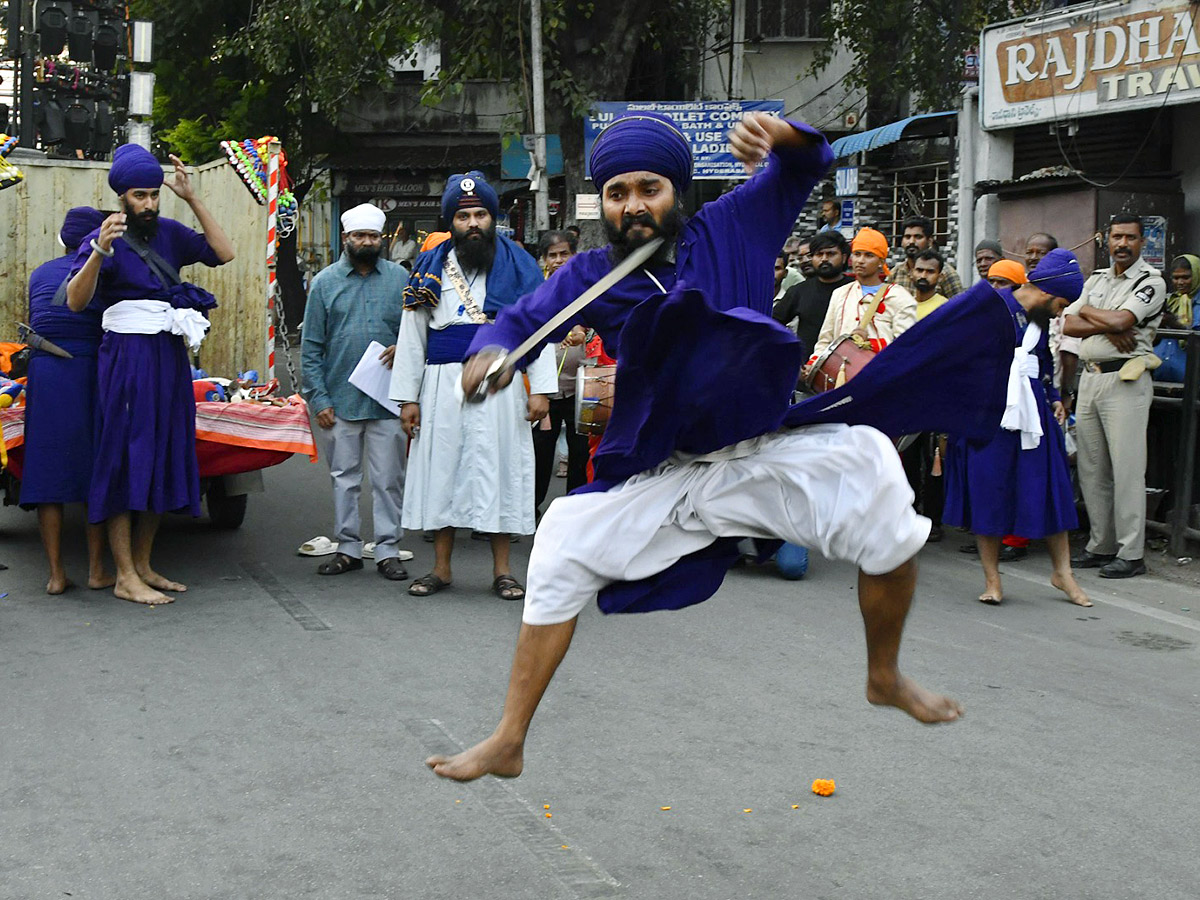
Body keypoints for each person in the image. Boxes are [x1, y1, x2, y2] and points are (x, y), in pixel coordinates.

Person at [424, 111, 1023, 782]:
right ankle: (509, 739)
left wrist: (784, 139)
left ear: (677, 190)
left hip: (760, 448)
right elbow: (520, 320)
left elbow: (804, 163)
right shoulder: (590, 273)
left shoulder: (738, 222)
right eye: (617, 194)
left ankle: (883, 674)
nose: (633, 207)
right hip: (669, 469)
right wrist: (492, 352)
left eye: (648, 188)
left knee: (878, 477)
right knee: (560, 543)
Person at [66, 144, 234, 606]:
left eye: (155, 195)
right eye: (140, 196)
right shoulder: (104, 238)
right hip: (125, 358)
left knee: (164, 450)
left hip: (167, 356)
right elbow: (76, 301)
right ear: (122, 196)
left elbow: (225, 251)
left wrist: (192, 198)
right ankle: (123, 575)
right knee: (124, 456)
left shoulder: (172, 232)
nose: (149, 204)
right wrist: (100, 249)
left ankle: (142, 564)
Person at [390, 171, 556, 600]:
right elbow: (413, 335)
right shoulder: (428, 266)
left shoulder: (519, 264)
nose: (473, 223)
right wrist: (408, 397)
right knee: (443, 472)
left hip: (500, 385)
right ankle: (441, 569)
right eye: (464, 216)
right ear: (452, 222)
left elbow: (537, 329)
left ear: (491, 216)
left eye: (481, 213)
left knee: (498, 471)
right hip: (441, 385)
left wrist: (540, 388)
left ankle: (503, 571)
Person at [944, 249, 1091, 607]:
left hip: (1033, 414)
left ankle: (1063, 573)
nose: (1062, 313)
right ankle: (993, 580)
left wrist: (1054, 395)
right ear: (1049, 294)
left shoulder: (1040, 320)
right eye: (1061, 305)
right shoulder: (988, 309)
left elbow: (1043, 362)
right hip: (988, 412)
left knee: (1050, 489)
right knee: (989, 491)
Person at [301, 203, 410, 580]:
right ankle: (347, 548)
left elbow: (418, 332)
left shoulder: (400, 279)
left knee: (388, 480)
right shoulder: (324, 284)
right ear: (345, 238)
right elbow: (312, 346)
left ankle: (388, 550)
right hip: (339, 401)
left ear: (383, 239)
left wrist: (405, 347)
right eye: (359, 236)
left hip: (388, 400)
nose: (367, 242)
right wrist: (319, 399)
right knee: (344, 479)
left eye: (373, 236)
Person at [1063, 215, 1166, 579]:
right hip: (1090, 377)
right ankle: (1100, 545)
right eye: (1117, 236)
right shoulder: (1096, 280)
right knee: (1093, 470)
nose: (1122, 243)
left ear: (1142, 243)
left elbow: (1124, 321)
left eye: (1131, 238)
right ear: (1107, 240)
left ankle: (1132, 552)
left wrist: (1091, 313)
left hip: (1125, 379)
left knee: (1126, 470)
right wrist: (1107, 320)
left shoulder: (1151, 282)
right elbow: (1068, 324)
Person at [20, 207, 112, 595]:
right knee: (94, 469)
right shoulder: (104, 270)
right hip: (88, 372)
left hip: (45, 373)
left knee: (47, 474)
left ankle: (56, 575)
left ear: (62, 240)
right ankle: (95, 570)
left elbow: (36, 319)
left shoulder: (39, 273)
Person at [532, 231, 588, 511]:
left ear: (573, 256)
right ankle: (531, 511)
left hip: (583, 389)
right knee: (540, 453)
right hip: (545, 392)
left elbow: (598, 328)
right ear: (544, 260)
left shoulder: (590, 290)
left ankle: (573, 514)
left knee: (580, 454)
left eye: (563, 254)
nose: (558, 261)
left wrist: (583, 334)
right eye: (552, 255)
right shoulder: (535, 291)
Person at [809, 227, 917, 364]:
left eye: (869, 255)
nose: (860, 260)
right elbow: (825, 340)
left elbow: (907, 346)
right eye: (857, 254)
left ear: (881, 262)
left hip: (881, 374)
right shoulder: (840, 293)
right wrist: (813, 365)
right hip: (842, 375)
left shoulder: (900, 297)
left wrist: (870, 344)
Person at [772, 230, 852, 358]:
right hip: (807, 369)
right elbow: (773, 324)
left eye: (830, 254)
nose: (824, 259)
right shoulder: (799, 291)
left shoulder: (855, 289)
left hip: (848, 366)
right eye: (819, 254)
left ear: (843, 258)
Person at [887, 216, 963, 298]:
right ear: (902, 242)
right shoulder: (895, 273)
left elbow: (960, 306)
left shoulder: (945, 273)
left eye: (918, 237)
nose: (911, 241)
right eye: (907, 237)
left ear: (929, 241)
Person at [1152, 254, 1200, 382]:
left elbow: (1196, 339)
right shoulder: (1172, 300)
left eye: (1186, 277)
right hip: (1161, 375)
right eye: (1176, 278)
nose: (1180, 283)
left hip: (1192, 382)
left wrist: (1174, 324)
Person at [911, 249, 949, 319]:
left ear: (940, 277)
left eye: (930, 272)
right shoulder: (904, 305)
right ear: (912, 272)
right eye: (919, 270)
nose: (923, 276)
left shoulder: (945, 307)